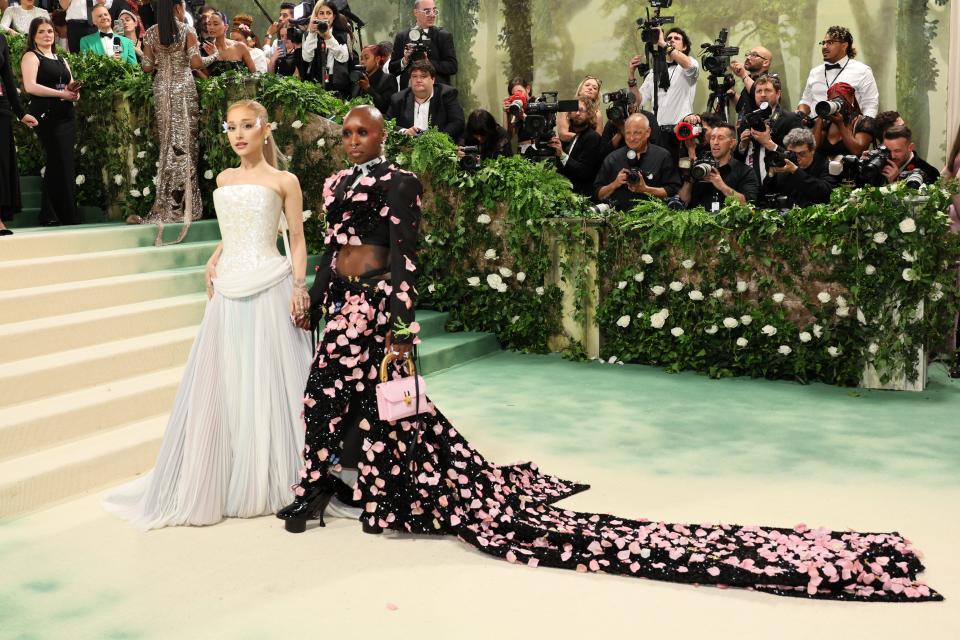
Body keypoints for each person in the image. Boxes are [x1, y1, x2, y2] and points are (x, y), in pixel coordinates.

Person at [274, 104, 941, 603]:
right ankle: (332, 486)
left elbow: (405, 256)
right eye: (347, 131)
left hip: (377, 311)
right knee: (335, 398)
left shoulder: (398, 181)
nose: (352, 138)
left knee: (376, 405)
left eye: (362, 130)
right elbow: (335, 251)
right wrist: (313, 292)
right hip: (339, 307)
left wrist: (399, 326)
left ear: (382, 134)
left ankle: (367, 492)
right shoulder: (332, 185)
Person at [104, 100, 313, 529]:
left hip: (270, 283)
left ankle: (269, 475)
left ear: (265, 129)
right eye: (231, 127)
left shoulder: (284, 180)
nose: (238, 135)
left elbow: (296, 238)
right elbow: (233, 230)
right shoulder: (223, 178)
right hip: (228, 286)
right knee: (227, 379)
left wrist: (297, 285)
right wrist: (215, 255)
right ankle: (225, 470)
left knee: (267, 380)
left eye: (247, 126)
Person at [129, 0, 203, 232]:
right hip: (183, 87)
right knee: (185, 145)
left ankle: (168, 204)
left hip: (162, 88)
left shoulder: (151, 33)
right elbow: (196, 63)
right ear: (176, 7)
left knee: (168, 144)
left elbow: (147, 67)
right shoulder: (187, 30)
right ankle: (185, 205)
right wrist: (215, 56)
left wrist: (158, 57)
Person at [21, 16, 80, 226]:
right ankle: (49, 214)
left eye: (50, 31)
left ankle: (66, 213)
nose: (47, 35)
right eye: (42, 32)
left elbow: (70, 83)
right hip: (45, 114)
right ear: (34, 36)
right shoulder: (31, 56)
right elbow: (30, 86)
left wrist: (74, 93)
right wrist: (61, 95)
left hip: (66, 114)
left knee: (64, 162)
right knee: (56, 160)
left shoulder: (61, 58)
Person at [0, 30, 38, 236]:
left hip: (1, 108)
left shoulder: (1, 39)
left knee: (1, 164)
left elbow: (7, 79)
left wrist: (21, 113)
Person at [798, 26, 879, 118]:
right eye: (823, 43)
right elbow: (806, 101)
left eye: (830, 42)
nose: (824, 46)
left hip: (847, 129)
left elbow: (870, 105)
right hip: (814, 128)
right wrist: (800, 114)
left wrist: (862, 129)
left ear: (844, 46)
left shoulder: (862, 70)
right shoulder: (815, 72)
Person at [736, 74, 802, 183]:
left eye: (767, 90)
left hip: (780, 181)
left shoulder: (791, 119)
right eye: (759, 91)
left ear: (778, 94)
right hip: (751, 183)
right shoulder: (747, 120)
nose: (762, 95)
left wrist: (768, 143)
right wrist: (742, 145)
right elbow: (739, 157)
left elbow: (799, 156)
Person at [678, 123, 758, 210]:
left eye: (721, 138)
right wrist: (688, 179)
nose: (715, 142)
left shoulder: (745, 172)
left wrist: (722, 186)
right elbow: (683, 201)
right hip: (699, 222)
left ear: (732, 143)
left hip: (728, 222)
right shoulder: (698, 167)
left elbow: (748, 205)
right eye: (712, 138)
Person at [635, 27, 700, 129]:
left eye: (677, 38)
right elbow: (638, 101)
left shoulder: (689, 63)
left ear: (684, 47)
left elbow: (689, 66)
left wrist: (664, 44)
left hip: (680, 130)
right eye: (669, 38)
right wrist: (631, 77)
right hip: (656, 131)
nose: (672, 40)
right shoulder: (653, 72)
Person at [387, 59, 464, 141]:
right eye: (414, 76)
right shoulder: (399, 98)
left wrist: (437, 139)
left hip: (438, 148)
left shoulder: (446, 95)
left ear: (433, 79)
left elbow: (457, 123)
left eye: (423, 76)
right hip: (407, 148)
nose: (418, 80)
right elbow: (387, 124)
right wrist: (404, 132)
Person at [389, 0, 457, 90]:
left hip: (437, 94)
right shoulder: (402, 37)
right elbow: (392, 69)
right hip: (409, 95)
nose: (432, 15)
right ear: (416, 13)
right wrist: (404, 60)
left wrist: (429, 63)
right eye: (427, 11)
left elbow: (452, 67)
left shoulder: (443, 36)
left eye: (434, 11)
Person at [761, 127, 838, 207]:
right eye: (792, 153)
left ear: (812, 150)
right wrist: (771, 175)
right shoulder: (785, 165)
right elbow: (764, 195)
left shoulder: (824, 165)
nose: (797, 157)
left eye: (802, 153)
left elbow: (825, 193)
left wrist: (796, 171)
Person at [549, 98, 603, 198]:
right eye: (575, 110)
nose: (577, 113)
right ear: (569, 114)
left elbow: (584, 172)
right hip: (568, 195)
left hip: (583, 197)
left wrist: (562, 155)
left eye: (582, 110)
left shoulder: (592, 137)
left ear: (589, 114)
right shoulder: (575, 137)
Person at [811, 81, 877, 158]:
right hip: (825, 169)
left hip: (851, 169)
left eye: (840, 100)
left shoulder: (864, 122)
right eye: (833, 101)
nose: (837, 103)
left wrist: (840, 125)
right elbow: (813, 149)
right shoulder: (827, 123)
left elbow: (858, 151)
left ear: (852, 98)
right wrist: (821, 115)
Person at [301, 1, 350, 96]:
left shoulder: (342, 35)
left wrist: (328, 37)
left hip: (336, 82)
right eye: (321, 13)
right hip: (316, 82)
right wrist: (311, 34)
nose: (325, 17)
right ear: (316, 16)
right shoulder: (309, 35)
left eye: (329, 13)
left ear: (334, 16)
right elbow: (306, 58)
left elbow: (343, 58)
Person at [200, 11, 255, 77]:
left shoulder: (240, 47)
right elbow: (207, 80)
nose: (211, 27)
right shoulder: (204, 49)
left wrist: (216, 57)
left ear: (226, 27)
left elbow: (254, 74)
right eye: (209, 24)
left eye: (215, 24)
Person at [729, 45, 773, 124]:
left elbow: (755, 91)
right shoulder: (749, 79)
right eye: (748, 54)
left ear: (765, 62)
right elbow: (742, 107)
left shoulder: (771, 80)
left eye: (754, 55)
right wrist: (732, 94)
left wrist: (743, 74)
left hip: (760, 131)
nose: (748, 57)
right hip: (744, 133)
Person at [556, 75, 603, 142]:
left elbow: (598, 139)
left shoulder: (597, 113)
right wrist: (586, 139)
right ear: (580, 90)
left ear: (596, 95)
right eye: (587, 85)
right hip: (568, 148)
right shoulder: (566, 105)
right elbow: (563, 135)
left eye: (595, 88)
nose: (590, 88)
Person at [351, 43, 395, 113]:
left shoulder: (388, 79)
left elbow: (385, 106)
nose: (362, 62)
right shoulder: (359, 78)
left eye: (366, 58)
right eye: (361, 58)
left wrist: (368, 89)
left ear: (377, 59)